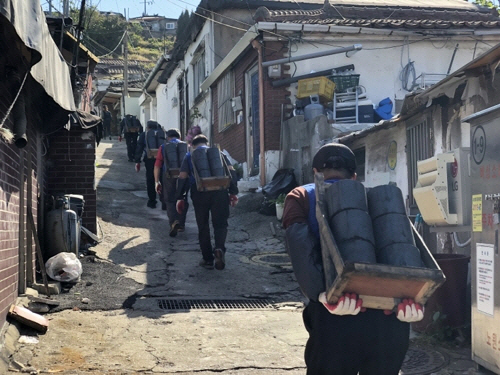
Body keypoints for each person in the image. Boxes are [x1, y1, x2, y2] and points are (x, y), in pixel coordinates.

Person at [281, 142, 424, 375]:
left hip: (335, 313)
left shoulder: (300, 196)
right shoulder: (375, 200)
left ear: (315, 172)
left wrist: (322, 295)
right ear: (355, 176)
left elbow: (300, 248)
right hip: (388, 317)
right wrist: (414, 302)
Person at [175, 134, 239, 270]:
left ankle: (207, 259)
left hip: (200, 192)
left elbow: (182, 176)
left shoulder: (189, 156)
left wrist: (180, 196)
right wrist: (233, 192)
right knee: (220, 224)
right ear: (207, 143)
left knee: (203, 225)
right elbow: (231, 171)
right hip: (220, 191)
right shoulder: (219, 154)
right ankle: (219, 249)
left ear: (193, 145)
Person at [154, 128, 188, 236]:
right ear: (180, 137)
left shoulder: (163, 147)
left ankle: (173, 222)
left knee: (169, 200)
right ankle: (181, 224)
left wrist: (157, 181)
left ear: (168, 138)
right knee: (183, 198)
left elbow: (157, 166)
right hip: (184, 177)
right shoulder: (186, 146)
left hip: (169, 176)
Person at [134, 120, 165, 209]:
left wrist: (137, 161)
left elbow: (139, 147)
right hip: (162, 159)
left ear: (148, 127)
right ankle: (164, 202)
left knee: (151, 180)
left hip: (150, 159)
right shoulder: (163, 133)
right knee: (163, 179)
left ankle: (152, 201)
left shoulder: (144, 134)